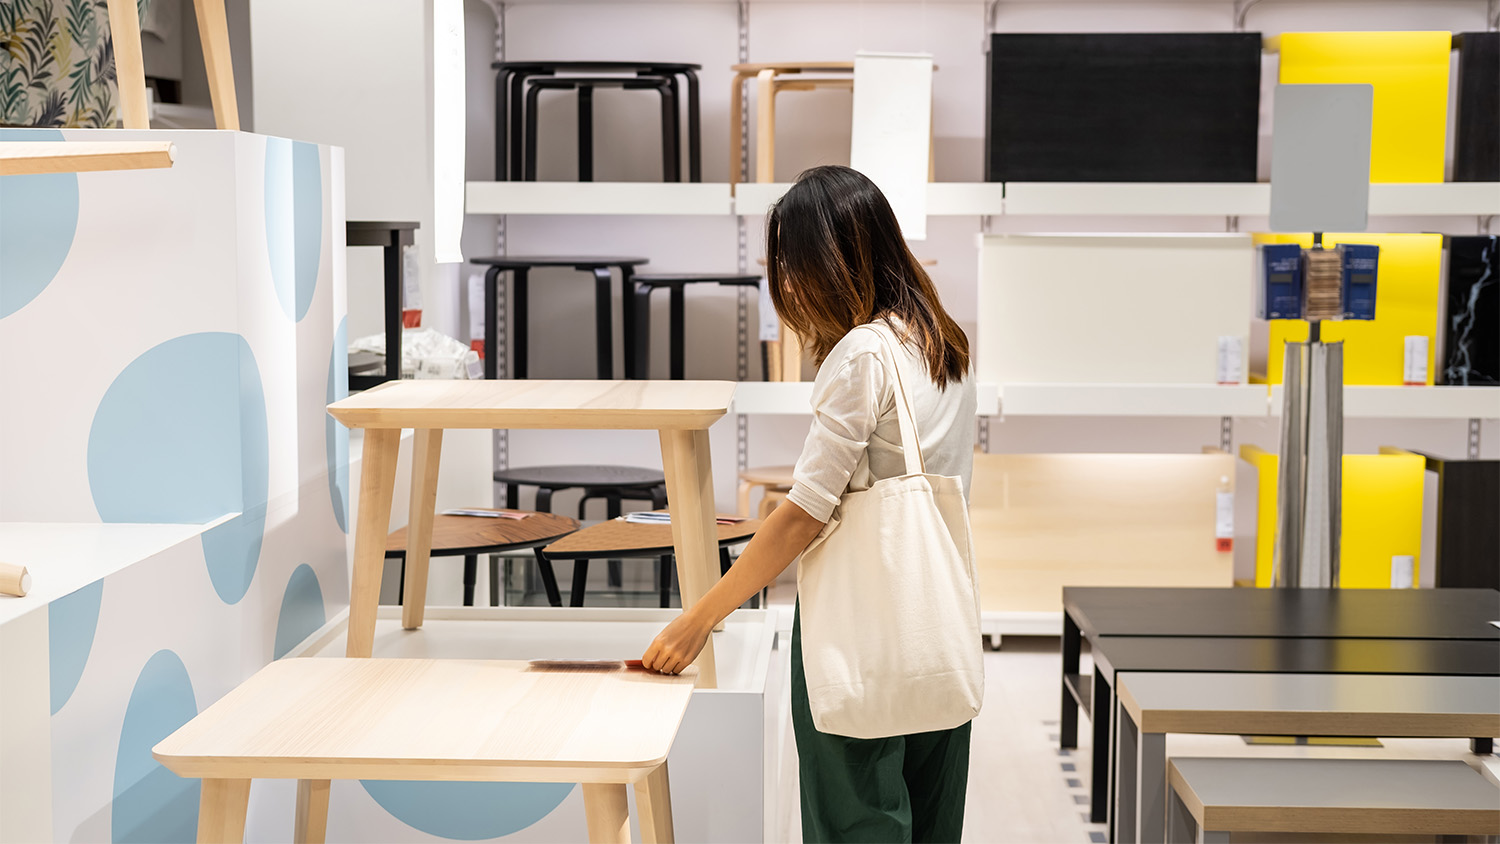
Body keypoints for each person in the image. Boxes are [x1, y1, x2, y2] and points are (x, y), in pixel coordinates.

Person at [642, 164, 978, 843]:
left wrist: (698, 617)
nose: (787, 287)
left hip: (860, 636)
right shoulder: (942, 343)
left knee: (856, 823)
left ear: (833, 261)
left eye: (793, 267)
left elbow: (803, 514)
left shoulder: (860, 356)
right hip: (938, 628)